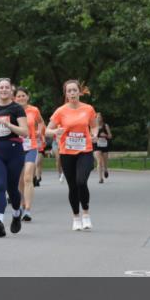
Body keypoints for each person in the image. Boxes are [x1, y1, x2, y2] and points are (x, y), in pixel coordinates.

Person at [46, 80, 98, 231]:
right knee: (73, 186)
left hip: (85, 150)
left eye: (75, 90)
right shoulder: (60, 111)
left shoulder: (88, 109)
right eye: (69, 91)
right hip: (67, 152)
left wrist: (94, 134)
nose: (72, 93)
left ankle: (86, 214)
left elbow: (94, 126)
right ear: (66, 94)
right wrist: (56, 132)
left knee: (81, 181)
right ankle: (76, 217)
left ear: (79, 92)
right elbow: (47, 130)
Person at [0, 79, 29, 237]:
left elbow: (25, 132)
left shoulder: (16, 109)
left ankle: (16, 213)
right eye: (1, 87)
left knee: (12, 189)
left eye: (7, 87)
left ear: (11, 90)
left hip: (14, 151)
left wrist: (9, 126)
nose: (4, 90)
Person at [14, 87, 43, 221]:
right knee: (20, 179)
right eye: (18, 96)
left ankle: (28, 210)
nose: (21, 98)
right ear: (14, 98)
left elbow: (41, 123)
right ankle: (21, 204)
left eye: (23, 95)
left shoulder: (34, 110)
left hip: (31, 146)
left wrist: (39, 131)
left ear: (27, 96)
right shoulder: (12, 110)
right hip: (17, 147)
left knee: (28, 177)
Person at [94, 112, 112, 183]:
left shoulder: (105, 126)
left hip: (104, 145)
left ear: (102, 118)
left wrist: (106, 135)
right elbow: (90, 136)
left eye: (99, 117)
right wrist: (94, 137)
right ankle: (100, 178)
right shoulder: (93, 127)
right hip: (96, 145)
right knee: (99, 161)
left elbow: (110, 136)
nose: (98, 119)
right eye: (97, 117)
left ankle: (105, 170)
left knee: (105, 161)